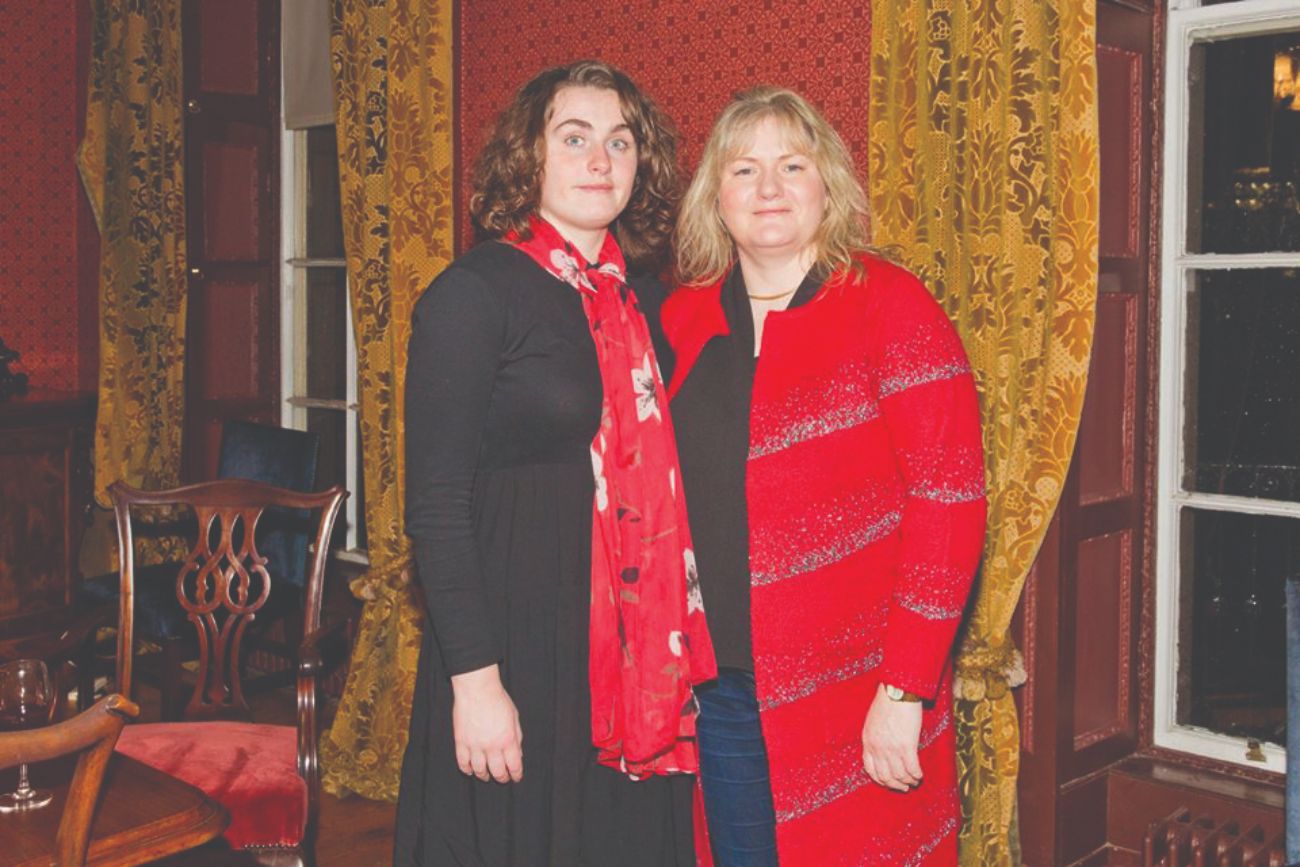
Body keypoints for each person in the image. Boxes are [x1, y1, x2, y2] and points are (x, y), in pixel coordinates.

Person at [397, 60, 715, 867]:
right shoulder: (473, 294)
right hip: (514, 637)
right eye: (574, 138)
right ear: (528, 156)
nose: (600, 160)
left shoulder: (645, 302)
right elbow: (435, 504)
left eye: (620, 141)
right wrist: (476, 680)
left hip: (630, 649)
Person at [664, 87, 986, 865]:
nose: (769, 187)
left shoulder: (891, 305)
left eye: (792, 165)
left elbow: (950, 501)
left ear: (828, 185)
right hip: (722, 688)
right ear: (715, 197)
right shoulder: (680, 319)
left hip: (862, 686)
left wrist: (905, 688)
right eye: (744, 169)